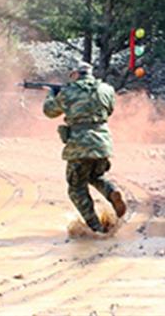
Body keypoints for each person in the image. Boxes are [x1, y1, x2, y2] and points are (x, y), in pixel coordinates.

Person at [43, 61, 126, 234]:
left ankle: (95, 228)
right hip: (102, 144)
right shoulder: (106, 89)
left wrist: (51, 94)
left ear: (75, 74)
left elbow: (49, 111)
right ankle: (113, 193)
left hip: (79, 146)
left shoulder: (67, 92)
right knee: (96, 176)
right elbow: (109, 110)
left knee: (76, 187)